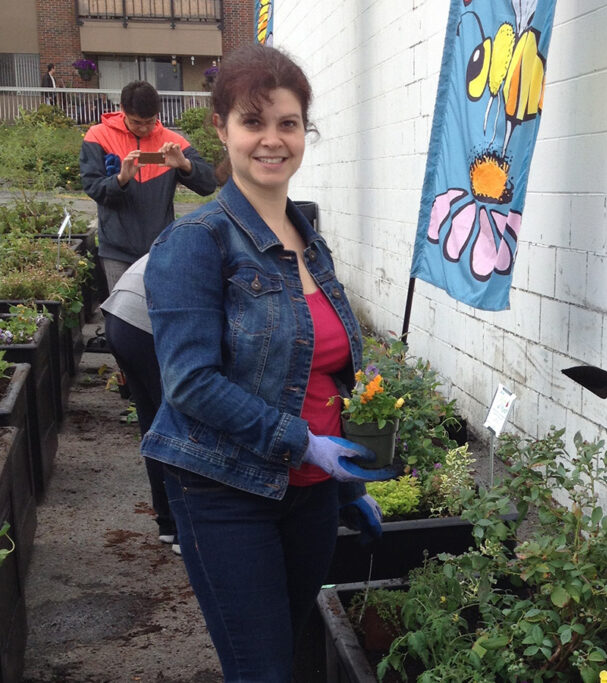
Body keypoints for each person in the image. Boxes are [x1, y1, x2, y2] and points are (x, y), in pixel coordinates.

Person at [140, 43, 392, 682]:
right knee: (262, 671)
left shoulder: (310, 241)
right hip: (227, 494)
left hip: (309, 495)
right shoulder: (195, 244)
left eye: (288, 123)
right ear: (221, 129)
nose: (272, 141)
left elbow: (332, 371)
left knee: (293, 652)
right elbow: (191, 383)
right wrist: (304, 442)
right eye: (254, 123)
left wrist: (348, 484)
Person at [79, 80, 216, 294]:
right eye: (136, 122)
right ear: (122, 110)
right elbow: (92, 187)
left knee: (161, 314)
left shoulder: (172, 141)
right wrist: (121, 179)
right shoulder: (98, 137)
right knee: (121, 318)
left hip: (161, 249)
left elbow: (208, 184)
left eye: (150, 122)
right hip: (116, 250)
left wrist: (184, 164)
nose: (144, 128)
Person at [99, 254, 179, 554]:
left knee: (154, 425)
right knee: (179, 428)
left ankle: (168, 524)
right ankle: (185, 530)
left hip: (120, 315)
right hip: (143, 322)